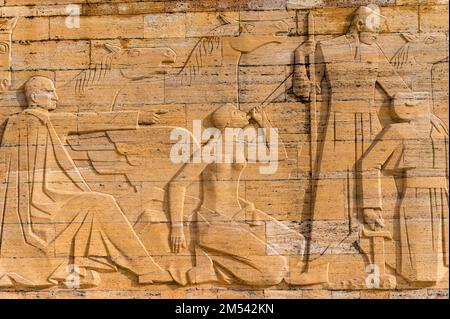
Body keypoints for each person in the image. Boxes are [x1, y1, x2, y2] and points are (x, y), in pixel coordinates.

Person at [0, 76, 172, 288]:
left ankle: (145, 269)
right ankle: (146, 270)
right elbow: (91, 119)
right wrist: (140, 116)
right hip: (40, 207)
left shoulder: (17, 123)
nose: (57, 97)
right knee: (102, 202)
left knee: (99, 203)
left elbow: (90, 119)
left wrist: (137, 117)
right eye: (50, 92)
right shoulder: (40, 121)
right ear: (34, 97)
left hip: (42, 203)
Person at [293, 4, 414, 255]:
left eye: (380, 26)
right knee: (333, 187)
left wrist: (419, 112)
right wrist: (299, 59)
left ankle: (373, 243)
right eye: (375, 24)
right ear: (359, 23)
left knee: (371, 180)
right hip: (337, 125)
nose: (379, 30)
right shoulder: (327, 48)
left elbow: (397, 91)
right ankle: (325, 249)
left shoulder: (375, 52)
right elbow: (305, 91)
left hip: (369, 123)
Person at [166, 104, 288, 286]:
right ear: (229, 120)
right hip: (213, 221)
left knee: (287, 258)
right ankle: (212, 269)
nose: (242, 112)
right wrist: (176, 226)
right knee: (275, 271)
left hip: (238, 219)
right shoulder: (210, 150)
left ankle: (212, 269)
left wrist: (264, 123)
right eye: (236, 111)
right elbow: (177, 184)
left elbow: (279, 154)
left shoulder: (241, 148)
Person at [360, 93, 448, 284]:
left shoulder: (440, 129)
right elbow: (368, 163)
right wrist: (370, 206)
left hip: (443, 198)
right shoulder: (398, 131)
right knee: (421, 270)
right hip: (417, 198)